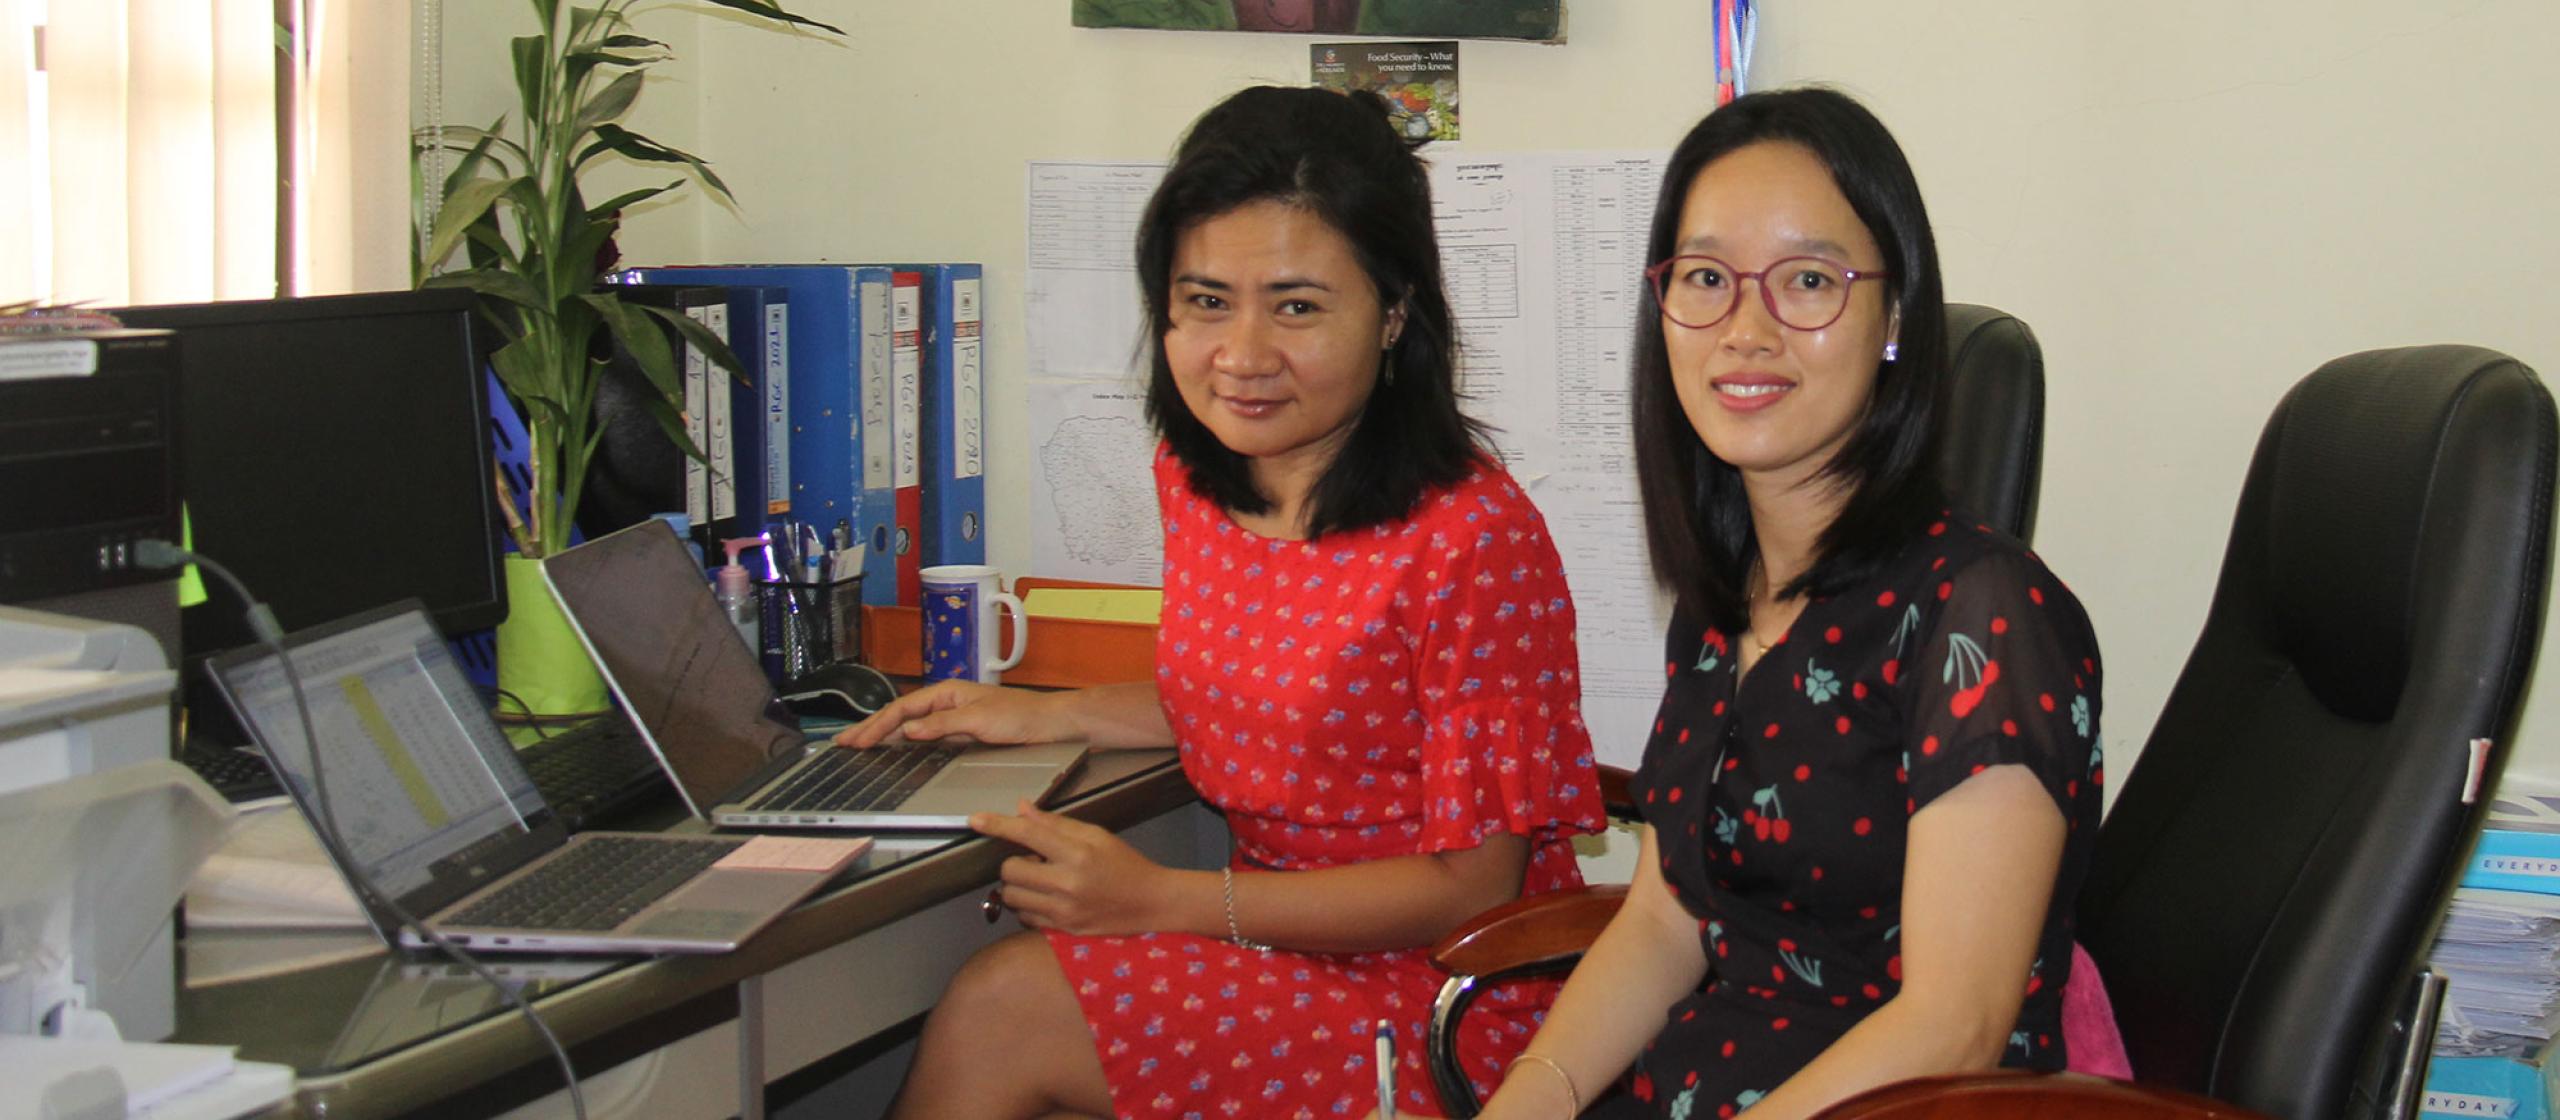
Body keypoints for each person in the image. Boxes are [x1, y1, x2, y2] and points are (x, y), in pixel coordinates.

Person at [838, 84, 1606, 1119]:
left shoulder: (1469, 537)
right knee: (1017, 1000)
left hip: (1448, 991)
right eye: (1205, 301)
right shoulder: (1197, 480)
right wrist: (1044, 710)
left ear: (1392, 313)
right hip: (1269, 939)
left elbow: (1473, 886)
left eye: (1296, 305)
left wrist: (1166, 899)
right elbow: (1273, 698)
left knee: (1004, 1004)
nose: (1241, 356)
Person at [1467, 87, 2107, 1120]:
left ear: (1894, 318)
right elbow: (1667, 919)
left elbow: (1956, 1023)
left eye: (1808, 279)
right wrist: (1527, 1098)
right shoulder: (1726, 599)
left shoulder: (1986, 615)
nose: (1745, 328)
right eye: (1707, 278)